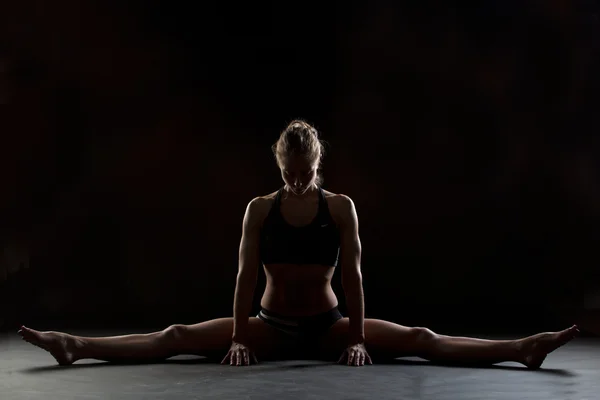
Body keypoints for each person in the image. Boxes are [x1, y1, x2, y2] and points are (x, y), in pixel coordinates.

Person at [18, 120, 578, 368]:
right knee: (177, 335)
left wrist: (357, 339)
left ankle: (520, 348)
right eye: (288, 172)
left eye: (305, 172)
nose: (297, 181)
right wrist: (239, 337)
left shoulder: (341, 207)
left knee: (421, 337)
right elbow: (243, 277)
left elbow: (354, 277)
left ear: (319, 164)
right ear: (278, 165)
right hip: (269, 326)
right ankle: (75, 344)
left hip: (331, 327)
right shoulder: (260, 209)